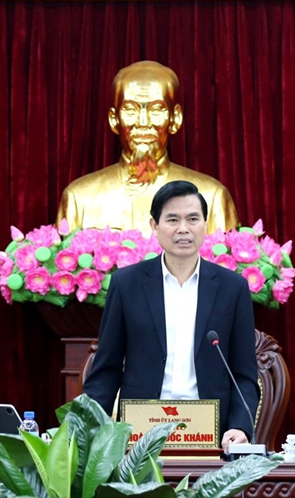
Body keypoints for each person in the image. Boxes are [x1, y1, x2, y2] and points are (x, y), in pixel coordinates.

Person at [82, 180, 258, 451]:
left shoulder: (232, 287)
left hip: (212, 433)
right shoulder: (127, 285)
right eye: (173, 219)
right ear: (154, 226)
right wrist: (86, 433)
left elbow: (244, 373)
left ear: (205, 224)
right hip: (140, 433)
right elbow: (107, 368)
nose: (183, 229)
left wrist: (239, 426)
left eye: (193, 219)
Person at [57, 61, 238, 233]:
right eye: (130, 110)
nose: (143, 123)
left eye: (156, 109)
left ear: (175, 119)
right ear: (114, 120)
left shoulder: (211, 197)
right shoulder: (79, 198)